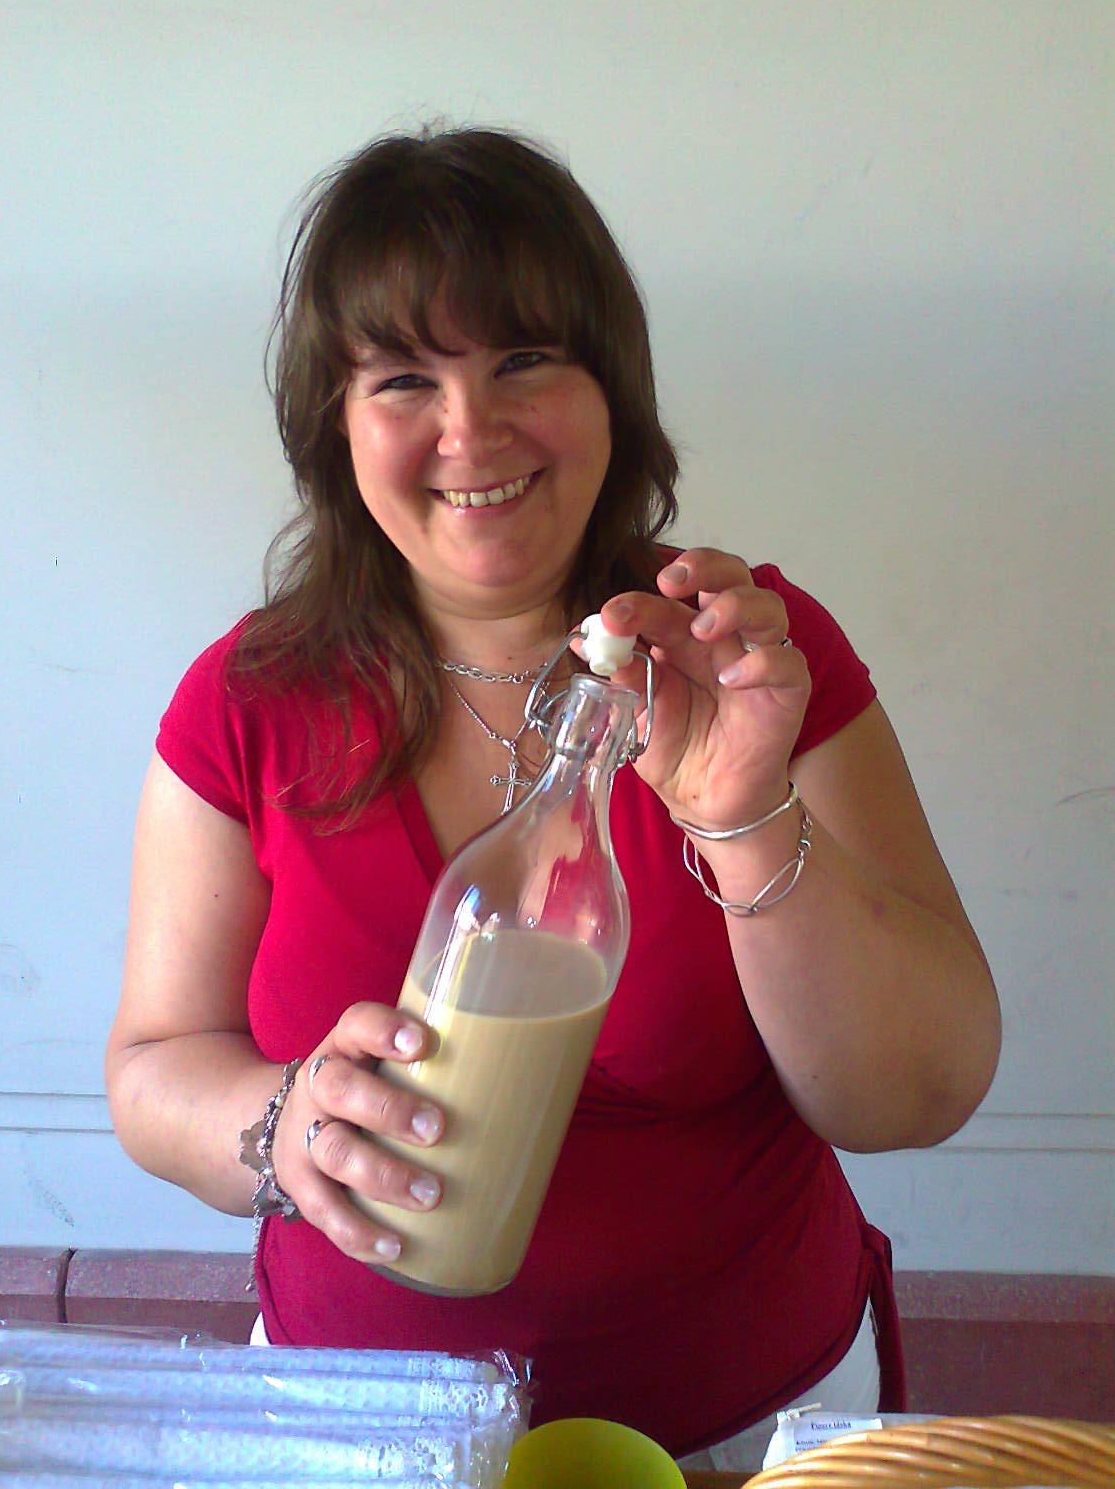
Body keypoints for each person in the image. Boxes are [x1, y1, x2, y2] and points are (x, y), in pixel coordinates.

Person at [105, 125, 1001, 1470]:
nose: (471, 430)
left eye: (524, 358)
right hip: (362, 1430)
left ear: (609, 390)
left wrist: (742, 816)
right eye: (405, 378)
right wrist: (283, 1127)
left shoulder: (746, 657)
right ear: (335, 425)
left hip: (751, 1431)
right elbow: (153, 1065)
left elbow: (911, 1097)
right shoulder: (250, 702)